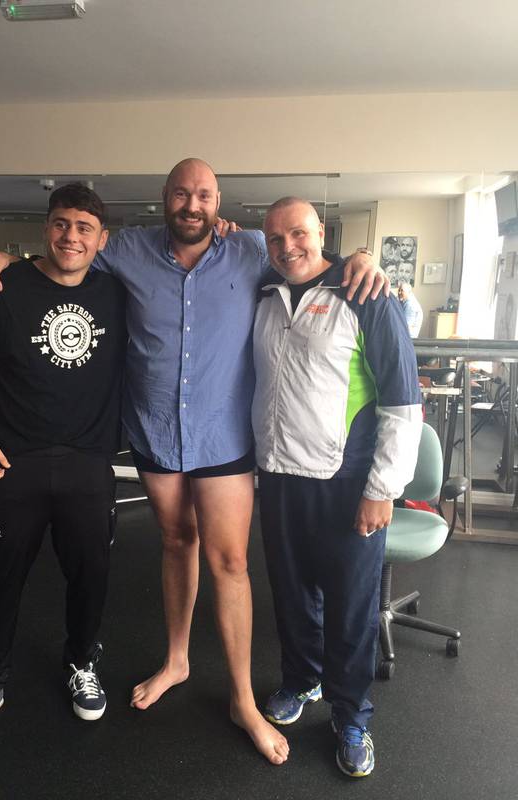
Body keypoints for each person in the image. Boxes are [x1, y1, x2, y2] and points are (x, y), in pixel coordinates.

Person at [0, 158, 387, 765]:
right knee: (175, 541)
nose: (193, 205)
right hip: (157, 433)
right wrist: (5, 260)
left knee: (230, 562)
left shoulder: (251, 249)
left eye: (205, 196)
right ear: (164, 198)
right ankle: (177, 661)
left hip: (223, 437)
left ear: (219, 203)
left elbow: (307, 258)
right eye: (182, 194)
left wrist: (362, 259)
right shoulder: (126, 249)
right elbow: (67, 256)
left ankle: (243, 700)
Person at [0, 184, 127, 751]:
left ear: (102, 239)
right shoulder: (1, 285)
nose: (71, 236)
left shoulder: (116, 292)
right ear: (46, 228)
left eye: (84, 227)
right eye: (61, 223)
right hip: (10, 466)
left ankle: (81, 661)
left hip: (88, 464)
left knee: (91, 578)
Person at [253, 198, 422, 777]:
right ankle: (302, 679)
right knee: (292, 593)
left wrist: (383, 488)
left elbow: (403, 401)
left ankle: (352, 714)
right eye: (275, 239)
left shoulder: (364, 294)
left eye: (298, 234)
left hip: (347, 481)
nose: (287, 247)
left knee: (350, 606)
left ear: (320, 232)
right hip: (279, 476)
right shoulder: (265, 293)